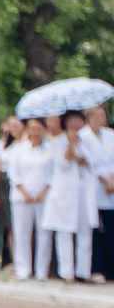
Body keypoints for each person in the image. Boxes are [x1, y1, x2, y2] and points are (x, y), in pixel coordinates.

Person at [42, 111, 93, 281]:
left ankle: (83, 271)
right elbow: (62, 164)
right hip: (64, 190)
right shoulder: (57, 141)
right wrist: (70, 145)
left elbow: (89, 161)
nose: (75, 124)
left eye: (78, 120)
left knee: (85, 231)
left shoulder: (85, 141)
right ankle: (67, 272)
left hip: (83, 189)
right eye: (72, 121)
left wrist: (78, 150)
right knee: (65, 231)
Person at [4, 116, 48, 278]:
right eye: (33, 129)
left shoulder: (49, 150)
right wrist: (25, 192)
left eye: (39, 129)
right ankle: (23, 268)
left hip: (43, 197)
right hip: (21, 197)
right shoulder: (19, 149)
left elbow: (52, 175)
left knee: (44, 234)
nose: (36, 132)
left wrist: (42, 192)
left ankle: (41, 270)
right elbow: (14, 174)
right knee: (21, 233)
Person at [86, 105, 114, 279]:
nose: (99, 119)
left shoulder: (111, 135)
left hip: (111, 188)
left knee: (111, 229)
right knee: (94, 231)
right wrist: (105, 179)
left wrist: (112, 179)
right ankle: (96, 268)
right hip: (94, 187)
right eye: (95, 116)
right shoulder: (83, 136)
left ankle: (111, 269)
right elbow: (90, 163)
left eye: (102, 116)